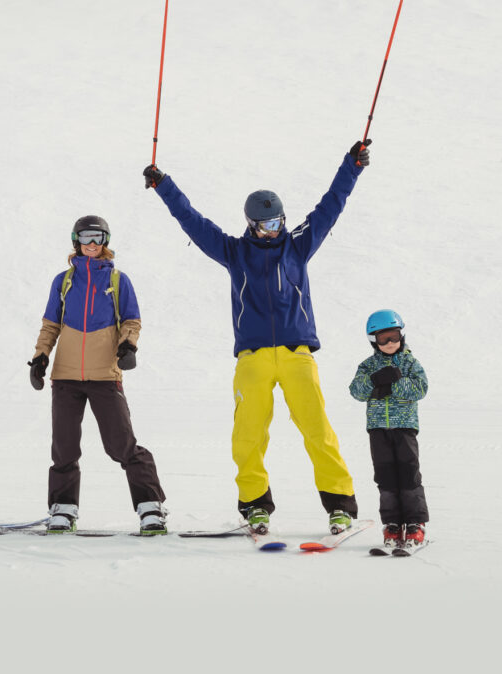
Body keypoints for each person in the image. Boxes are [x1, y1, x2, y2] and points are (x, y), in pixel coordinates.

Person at [142, 141, 371, 534]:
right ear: (251, 224)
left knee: (318, 430)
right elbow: (192, 221)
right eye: (267, 225)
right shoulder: (234, 252)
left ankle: (340, 504)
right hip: (253, 359)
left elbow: (332, 203)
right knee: (248, 435)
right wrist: (164, 186)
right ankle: (254, 505)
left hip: (298, 355)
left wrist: (352, 165)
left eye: (278, 222)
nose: (274, 230)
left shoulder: (298, 246)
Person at [28, 216, 168, 535]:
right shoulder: (62, 281)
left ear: (105, 241)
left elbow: (131, 320)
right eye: (88, 237)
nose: (93, 244)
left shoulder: (118, 280)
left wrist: (128, 346)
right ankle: (63, 509)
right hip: (65, 377)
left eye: (99, 237)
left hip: (105, 374)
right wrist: (40, 358)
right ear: (76, 240)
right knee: (64, 447)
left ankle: (151, 507)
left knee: (122, 445)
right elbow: (51, 324)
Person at [348, 309, 429, 549]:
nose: (390, 343)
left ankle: (415, 524)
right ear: (374, 341)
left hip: (404, 428)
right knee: (385, 476)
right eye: (383, 339)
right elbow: (356, 391)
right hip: (377, 430)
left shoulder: (410, 363)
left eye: (394, 336)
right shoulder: (367, 366)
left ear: (401, 335)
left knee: (408, 473)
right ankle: (392, 524)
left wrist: (395, 382)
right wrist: (375, 381)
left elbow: (420, 389)